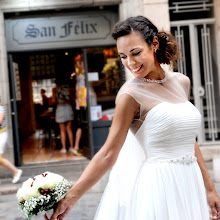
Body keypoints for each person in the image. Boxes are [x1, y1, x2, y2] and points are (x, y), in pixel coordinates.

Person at [45, 16, 220, 220]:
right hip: (159, 187)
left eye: (135, 53)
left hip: (191, 182)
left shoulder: (182, 82)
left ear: (154, 44)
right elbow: (108, 154)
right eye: (123, 56)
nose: (130, 63)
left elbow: (189, 141)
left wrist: (209, 188)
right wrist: (70, 198)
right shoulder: (130, 95)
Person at [53, 80, 80, 155]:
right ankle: (71, 147)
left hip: (60, 107)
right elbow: (72, 99)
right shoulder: (69, 89)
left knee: (62, 130)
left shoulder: (55, 89)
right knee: (69, 128)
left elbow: (53, 100)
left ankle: (64, 148)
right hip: (68, 107)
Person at [0, 103, 22, 183]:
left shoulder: (0, 108)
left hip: (1, 134)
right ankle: (16, 171)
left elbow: (0, 121)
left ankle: (16, 171)